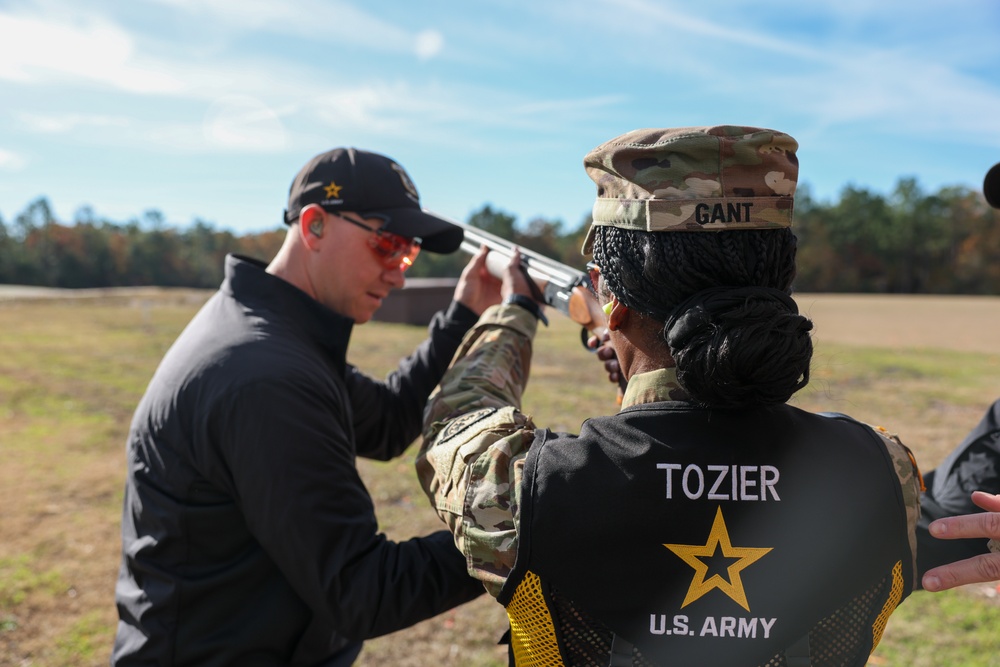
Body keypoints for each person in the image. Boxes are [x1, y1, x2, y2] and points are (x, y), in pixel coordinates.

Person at [416, 126, 923, 666]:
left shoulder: (521, 486)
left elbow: (457, 418)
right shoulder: (884, 473)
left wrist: (513, 312)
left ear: (610, 298)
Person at [112, 148, 499, 666]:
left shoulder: (273, 334)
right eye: (387, 245)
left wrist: (464, 313)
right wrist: (522, 529)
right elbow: (363, 591)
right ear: (314, 226)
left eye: (407, 253)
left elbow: (383, 424)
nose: (399, 274)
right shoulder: (265, 374)